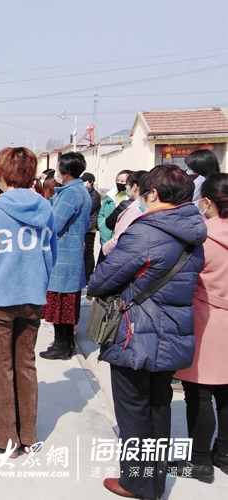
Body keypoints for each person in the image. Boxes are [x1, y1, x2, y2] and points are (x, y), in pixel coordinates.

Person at [87, 165, 206, 500]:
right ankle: (152, 482)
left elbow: (99, 281)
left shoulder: (146, 232)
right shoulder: (194, 232)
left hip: (136, 334)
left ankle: (138, 483)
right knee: (158, 408)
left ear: (153, 194)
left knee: (135, 412)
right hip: (173, 333)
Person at [0, 147, 57, 459]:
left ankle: (5, 439)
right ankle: (28, 436)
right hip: (32, 297)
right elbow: (51, 256)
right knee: (25, 365)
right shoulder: (46, 209)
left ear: (1, 176)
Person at [173, 173, 228, 482]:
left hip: (206, 319)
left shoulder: (200, 234)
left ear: (206, 201)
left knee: (199, 393)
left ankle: (200, 460)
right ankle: (225, 454)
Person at [40, 152, 91, 360]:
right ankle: (65, 343)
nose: (57, 172)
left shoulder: (71, 193)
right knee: (65, 305)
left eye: (59, 168)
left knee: (61, 304)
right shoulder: (79, 190)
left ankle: (62, 345)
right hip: (70, 253)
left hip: (63, 256)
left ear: (66, 171)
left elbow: (54, 223)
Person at [101, 170, 147, 257]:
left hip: (120, 252)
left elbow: (118, 237)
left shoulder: (130, 206)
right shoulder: (152, 205)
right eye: (117, 180)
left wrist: (105, 248)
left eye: (125, 184)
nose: (125, 187)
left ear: (134, 186)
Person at [98, 169, 132, 261]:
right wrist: (102, 227)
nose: (119, 183)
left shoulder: (130, 199)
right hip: (106, 237)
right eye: (117, 180)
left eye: (122, 181)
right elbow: (101, 214)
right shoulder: (110, 197)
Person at [80, 172, 101, 284]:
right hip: (83, 226)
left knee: (88, 252)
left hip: (89, 227)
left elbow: (88, 209)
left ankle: (88, 276)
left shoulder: (94, 195)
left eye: (85, 181)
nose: (83, 183)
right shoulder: (83, 192)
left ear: (91, 182)